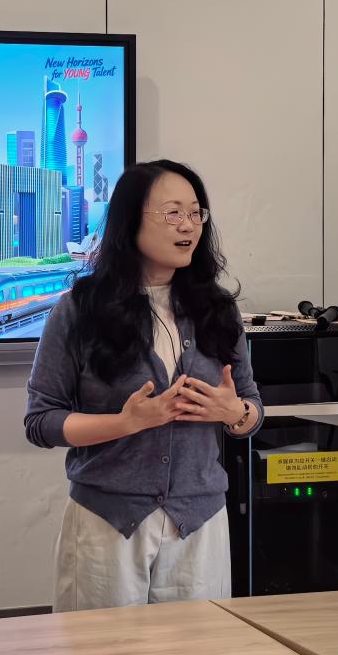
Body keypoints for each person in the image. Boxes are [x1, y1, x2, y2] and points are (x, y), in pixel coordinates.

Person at [24, 159, 263, 612]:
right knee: (102, 644)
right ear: (130, 220)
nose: (188, 225)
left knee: (196, 644)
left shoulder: (218, 310)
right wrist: (126, 422)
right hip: (107, 523)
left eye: (195, 213)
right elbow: (41, 421)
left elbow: (250, 407)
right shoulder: (79, 311)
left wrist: (236, 414)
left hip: (199, 522)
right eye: (172, 213)